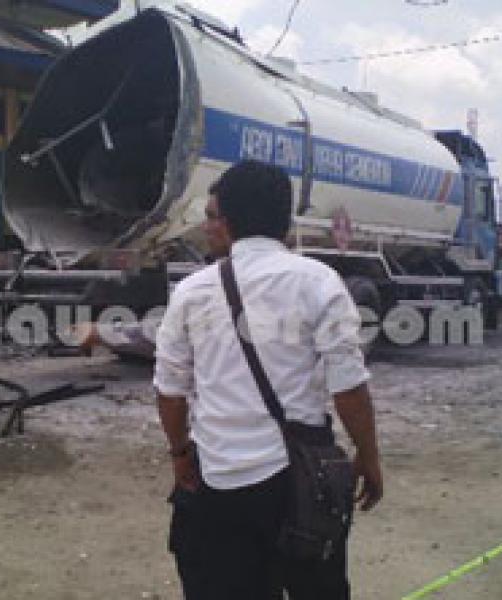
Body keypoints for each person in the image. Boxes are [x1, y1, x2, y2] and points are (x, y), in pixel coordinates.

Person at [153, 160, 383, 599]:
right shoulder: (319, 282)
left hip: (217, 480)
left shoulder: (191, 292)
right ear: (286, 220)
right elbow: (349, 386)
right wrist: (368, 457)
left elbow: (170, 391)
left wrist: (181, 455)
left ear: (228, 220)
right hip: (300, 483)